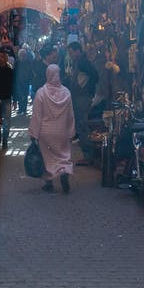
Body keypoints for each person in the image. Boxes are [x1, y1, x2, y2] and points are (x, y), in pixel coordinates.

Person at [30, 64, 74, 193]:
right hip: (62, 131)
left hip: (46, 132)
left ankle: (49, 183)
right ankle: (64, 172)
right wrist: (71, 131)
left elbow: (37, 116)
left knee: (47, 157)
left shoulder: (41, 93)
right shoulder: (66, 92)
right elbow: (70, 115)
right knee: (63, 155)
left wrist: (34, 133)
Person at [64, 41, 99, 162]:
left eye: (72, 52)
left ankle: (88, 156)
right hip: (80, 97)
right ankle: (88, 155)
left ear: (78, 50)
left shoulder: (83, 62)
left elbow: (95, 75)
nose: (71, 55)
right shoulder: (79, 61)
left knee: (82, 126)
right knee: (81, 125)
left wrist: (87, 89)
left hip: (83, 98)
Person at [13, 46, 38, 116]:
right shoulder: (17, 62)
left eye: (24, 55)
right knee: (19, 95)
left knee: (25, 95)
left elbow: (30, 71)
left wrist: (31, 79)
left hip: (26, 82)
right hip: (19, 81)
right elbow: (15, 71)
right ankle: (20, 108)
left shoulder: (28, 62)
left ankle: (24, 109)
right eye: (21, 55)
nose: (22, 56)